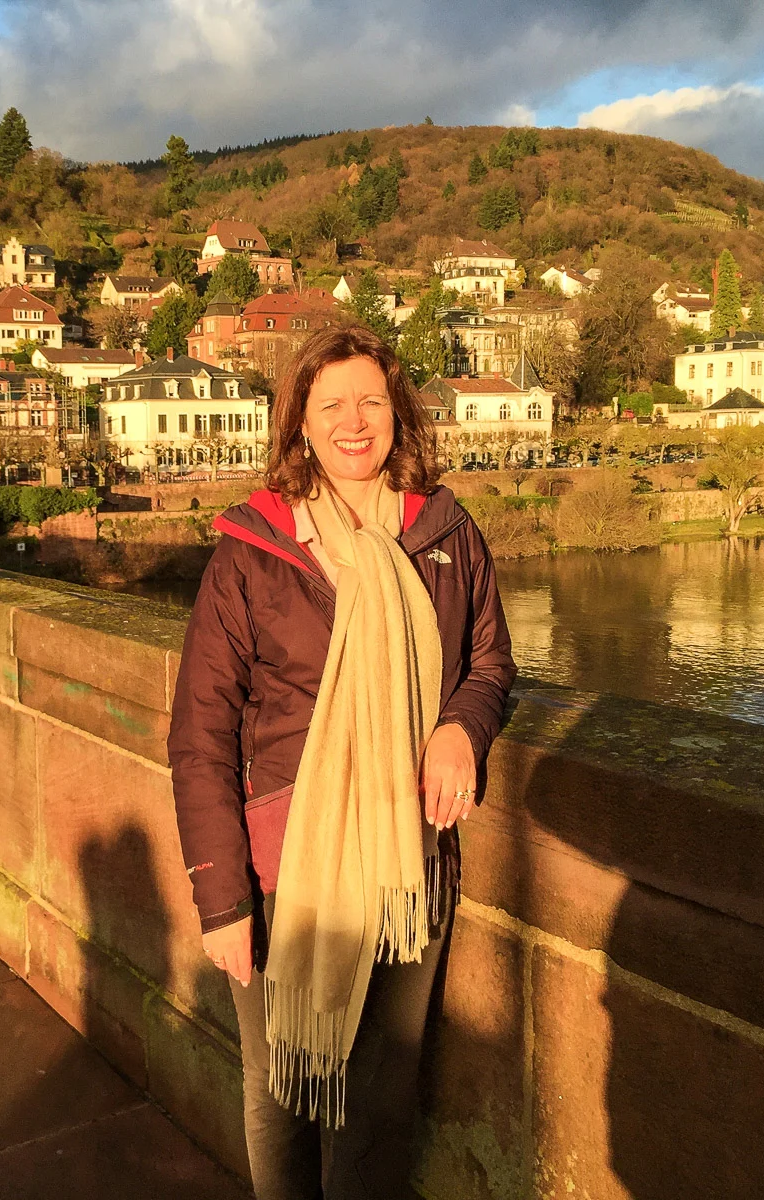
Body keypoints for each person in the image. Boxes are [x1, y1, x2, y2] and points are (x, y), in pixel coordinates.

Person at [168, 325, 515, 1200]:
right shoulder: (254, 548)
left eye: (372, 401)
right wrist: (221, 901)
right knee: (280, 1088)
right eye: (332, 407)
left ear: (398, 413)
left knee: (383, 1099)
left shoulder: (443, 531)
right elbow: (201, 734)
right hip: (287, 867)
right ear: (301, 426)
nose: (355, 423)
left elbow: (490, 661)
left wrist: (462, 729)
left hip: (410, 859)